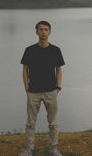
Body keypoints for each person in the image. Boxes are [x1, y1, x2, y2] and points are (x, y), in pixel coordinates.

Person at [19, 21, 65, 156]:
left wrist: (58, 88)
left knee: (53, 123)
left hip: (51, 91)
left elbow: (59, 70)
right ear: (36, 32)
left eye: (46, 30)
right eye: (41, 30)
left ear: (49, 32)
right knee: (30, 123)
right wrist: (27, 88)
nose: (43, 32)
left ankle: (53, 148)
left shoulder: (55, 50)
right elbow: (24, 70)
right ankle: (29, 149)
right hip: (33, 92)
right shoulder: (30, 50)